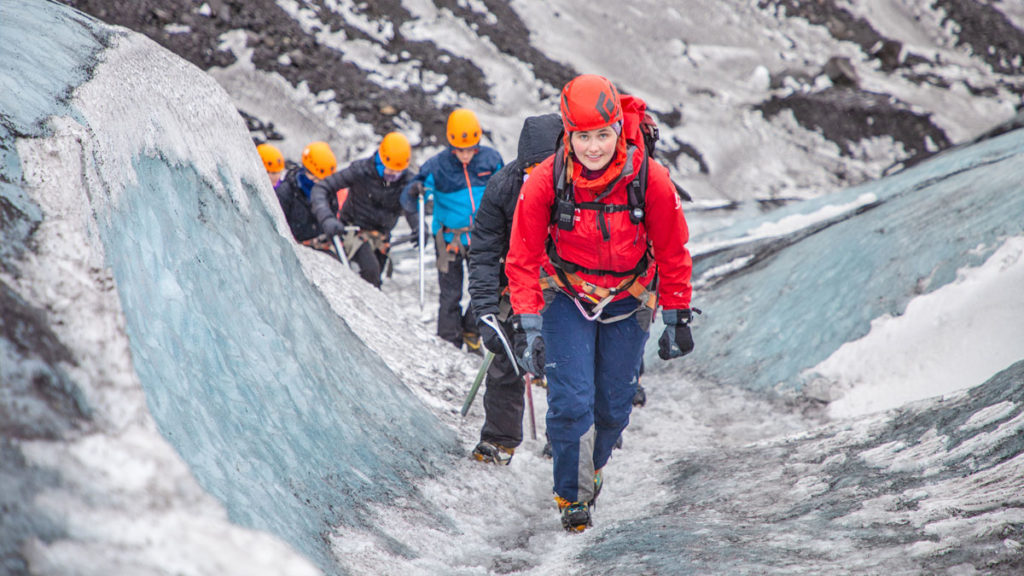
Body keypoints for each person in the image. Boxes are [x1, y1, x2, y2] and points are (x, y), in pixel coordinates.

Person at [505, 74, 695, 532]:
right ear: (568, 134)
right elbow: (522, 257)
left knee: (614, 405)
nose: (593, 147)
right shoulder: (546, 180)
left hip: (629, 299)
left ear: (618, 129)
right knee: (572, 401)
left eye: (602, 135)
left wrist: (677, 314)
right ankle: (572, 497)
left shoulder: (650, 179)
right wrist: (528, 324)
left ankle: (593, 467)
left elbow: (672, 250)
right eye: (583, 137)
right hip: (566, 294)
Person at [467, 113, 562, 465]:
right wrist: (485, 310)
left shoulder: (576, 185)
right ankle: (499, 440)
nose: (534, 176)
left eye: (543, 168)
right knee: (506, 358)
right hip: (515, 283)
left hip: (563, 284)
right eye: (529, 169)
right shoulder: (502, 187)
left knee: (563, 360)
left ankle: (566, 438)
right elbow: (484, 251)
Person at [401, 108, 504, 352]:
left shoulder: (492, 160)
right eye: (460, 150)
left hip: (483, 237)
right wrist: (415, 189)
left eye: (470, 149)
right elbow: (408, 196)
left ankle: (471, 328)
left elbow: (506, 190)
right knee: (450, 295)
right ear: (451, 145)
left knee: (488, 290)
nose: (466, 155)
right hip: (448, 240)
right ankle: (448, 344)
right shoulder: (436, 166)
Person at [310, 132, 414, 288]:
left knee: (376, 280)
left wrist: (418, 226)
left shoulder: (407, 182)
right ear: (381, 161)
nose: (392, 176)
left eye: (397, 173)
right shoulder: (360, 171)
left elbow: (412, 207)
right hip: (353, 231)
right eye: (389, 171)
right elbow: (322, 188)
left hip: (381, 237)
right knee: (370, 273)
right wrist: (327, 218)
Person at [276, 141, 337, 246]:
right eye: (316, 178)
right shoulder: (286, 193)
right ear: (307, 171)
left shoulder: (329, 194)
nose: (318, 183)